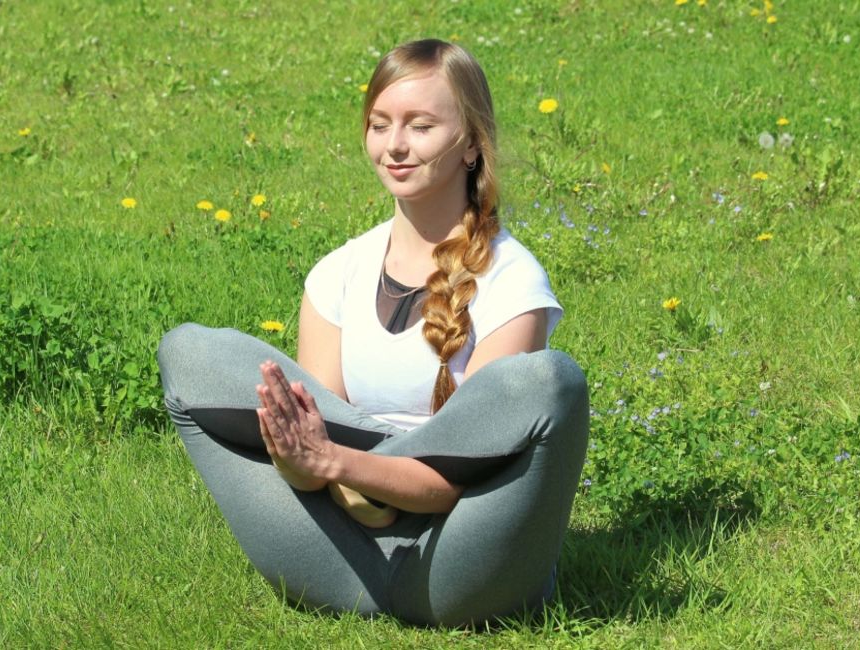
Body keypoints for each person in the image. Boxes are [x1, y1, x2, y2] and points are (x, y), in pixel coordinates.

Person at [157, 38, 589, 627]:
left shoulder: (513, 282)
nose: (395, 146)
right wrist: (299, 461)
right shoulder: (339, 272)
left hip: (463, 564)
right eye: (379, 124)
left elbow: (452, 484)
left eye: (420, 125)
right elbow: (317, 432)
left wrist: (337, 461)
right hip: (343, 556)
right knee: (186, 354)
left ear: (469, 144)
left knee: (549, 381)